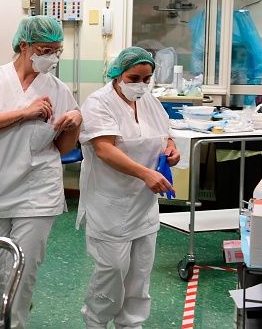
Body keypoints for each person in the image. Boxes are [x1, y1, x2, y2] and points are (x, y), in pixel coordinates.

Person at [0, 15, 82, 328]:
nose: (52, 57)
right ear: (25, 45)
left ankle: (13, 322)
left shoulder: (58, 89)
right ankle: (17, 302)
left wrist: (74, 123)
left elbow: (65, 148)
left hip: (38, 189)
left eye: (57, 51)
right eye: (45, 49)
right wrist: (24, 113)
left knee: (24, 269)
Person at [76, 46, 181, 329]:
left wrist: (171, 150)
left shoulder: (150, 102)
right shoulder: (99, 102)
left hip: (144, 205)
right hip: (110, 203)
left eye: (147, 79)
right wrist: (145, 174)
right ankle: (96, 321)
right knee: (112, 269)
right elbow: (104, 150)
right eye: (134, 78)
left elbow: (166, 136)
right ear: (117, 74)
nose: (141, 85)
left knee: (139, 274)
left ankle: (131, 324)